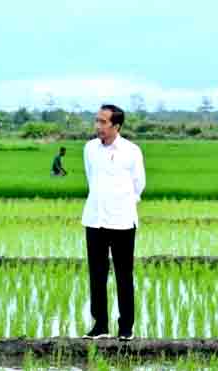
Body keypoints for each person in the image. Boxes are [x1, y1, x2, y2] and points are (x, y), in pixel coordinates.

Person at [81, 104, 145, 341]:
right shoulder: (90, 148)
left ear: (116, 126)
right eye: (97, 121)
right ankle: (100, 326)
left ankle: (126, 327)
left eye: (103, 122)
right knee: (96, 275)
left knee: (123, 275)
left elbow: (139, 184)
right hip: (94, 218)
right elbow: (91, 179)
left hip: (122, 221)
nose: (98, 126)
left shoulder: (131, 151)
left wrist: (121, 203)